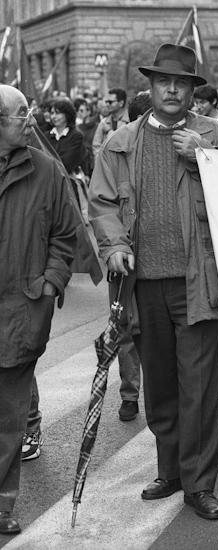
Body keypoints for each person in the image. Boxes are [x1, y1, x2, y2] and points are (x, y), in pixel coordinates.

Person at [89, 43, 218, 520]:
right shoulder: (121, 140)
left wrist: (208, 158)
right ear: (150, 88)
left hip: (199, 282)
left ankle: (199, 484)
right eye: (163, 82)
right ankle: (170, 469)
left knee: (199, 387)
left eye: (181, 83)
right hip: (143, 284)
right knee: (159, 386)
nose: (172, 89)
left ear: (193, 90)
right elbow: (103, 203)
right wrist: (114, 245)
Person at [0, 84, 76, 534]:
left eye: (29, 111)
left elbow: (65, 236)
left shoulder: (47, 170)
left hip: (22, 309)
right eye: (20, 114)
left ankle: (3, 506)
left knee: (10, 417)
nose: (30, 120)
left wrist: (50, 285)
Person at [115, 92, 153, 423]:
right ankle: (130, 394)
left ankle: (159, 393)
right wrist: (114, 246)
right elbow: (102, 205)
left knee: (154, 329)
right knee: (125, 327)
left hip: (158, 259)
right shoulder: (115, 150)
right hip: (125, 259)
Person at [92, 88, 129, 157]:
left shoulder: (130, 121)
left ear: (121, 103)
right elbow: (96, 146)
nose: (107, 104)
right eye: (106, 102)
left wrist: (109, 131)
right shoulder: (104, 123)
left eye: (110, 102)